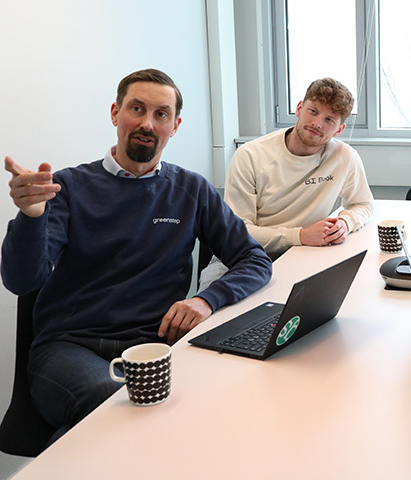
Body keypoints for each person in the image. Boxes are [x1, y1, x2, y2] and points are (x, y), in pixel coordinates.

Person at [1, 69, 272, 442]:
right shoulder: (67, 188)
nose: (147, 123)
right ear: (116, 113)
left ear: (174, 126)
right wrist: (31, 217)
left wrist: (207, 300)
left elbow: (254, 260)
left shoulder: (191, 190)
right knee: (119, 405)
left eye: (161, 114)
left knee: (221, 405)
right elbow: (21, 281)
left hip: (156, 347)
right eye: (137, 109)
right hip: (69, 348)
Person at [200, 77, 372, 287]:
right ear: (299, 108)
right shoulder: (250, 155)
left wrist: (346, 222)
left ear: (339, 129)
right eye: (313, 111)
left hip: (302, 255)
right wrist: (300, 236)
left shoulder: (344, 156)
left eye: (329, 120)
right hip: (241, 256)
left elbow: (363, 203)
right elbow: (240, 231)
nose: (317, 124)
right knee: (211, 304)